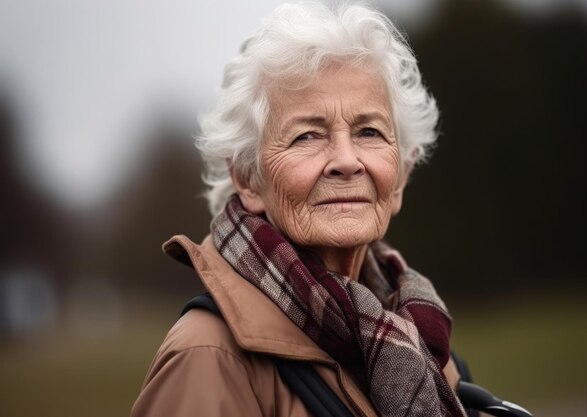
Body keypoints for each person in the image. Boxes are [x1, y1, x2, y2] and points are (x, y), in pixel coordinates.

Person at [132, 2, 465, 416]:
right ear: (247, 179)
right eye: (307, 136)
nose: (347, 160)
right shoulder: (207, 357)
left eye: (369, 131)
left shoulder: (423, 342)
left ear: (399, 178)